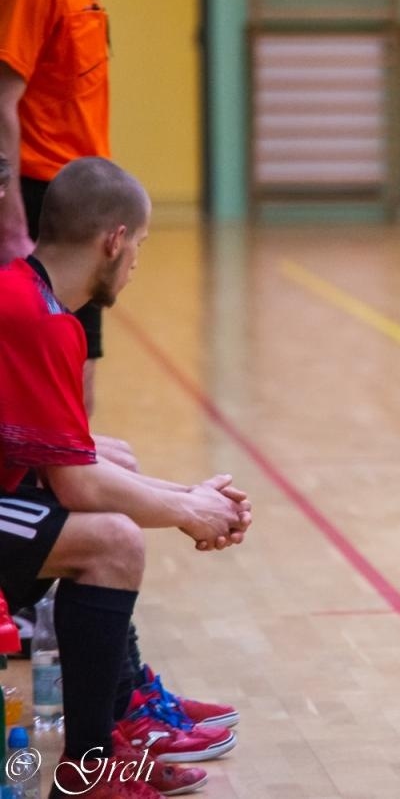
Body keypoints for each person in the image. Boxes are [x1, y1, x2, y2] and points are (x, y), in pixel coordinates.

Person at [0, 156, 252, 798]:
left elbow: (75, 466)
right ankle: (92, 773)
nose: (136, 260)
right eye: (138, 244)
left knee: (117, 460)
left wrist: (188, 496)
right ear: (113, 240)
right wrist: (189, 512)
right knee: (113, 540)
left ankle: (122, 713)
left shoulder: (30, 294)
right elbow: (77, 490)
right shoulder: (40, 320)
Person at [0, 0, 143, 414]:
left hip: (81, 201)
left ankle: (71, 497)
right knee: (52, 382)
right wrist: (11, 220)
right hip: (41, 200)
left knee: (77, 367)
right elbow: (0, 99)